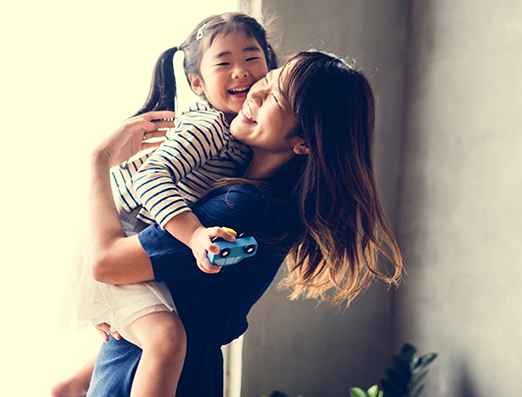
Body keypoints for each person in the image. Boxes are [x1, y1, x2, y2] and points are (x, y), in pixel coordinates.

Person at [83, 51, 405, 397]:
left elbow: (107, 263)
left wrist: (99, 161)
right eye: (266, 81)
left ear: (305, 142)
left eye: (275, 97)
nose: (254, 93)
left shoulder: (242, 207)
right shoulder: (263, 201)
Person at [53, 12, 277, 397]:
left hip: (138, 235)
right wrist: (194, 236)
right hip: (122, 231)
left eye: (252, 58)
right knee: (166, 340)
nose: (240, 71)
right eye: (223, 62)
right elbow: (150, 178)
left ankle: (73, 388)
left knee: (150, 326)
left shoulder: (243, 138)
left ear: (271, 70)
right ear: (197, 83)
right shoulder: (211, 128)